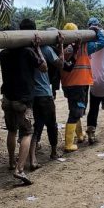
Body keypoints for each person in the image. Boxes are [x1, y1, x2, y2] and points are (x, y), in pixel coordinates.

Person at [0, 33, 47, 185]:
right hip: (23, 100)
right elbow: (44, 67)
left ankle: (12, 161)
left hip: (7, 98)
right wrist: (38, 48)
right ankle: (19, 169)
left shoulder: (2, 54)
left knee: (11, 130)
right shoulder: (27, 52)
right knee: (27, 133)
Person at [60, 22, 104, 152]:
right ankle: (69, 144)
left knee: (74, 109)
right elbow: (103, 42)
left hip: (67, 84)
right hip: (80, 83)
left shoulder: (60, 47)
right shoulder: (85, 46)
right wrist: (97, 31)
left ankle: (80, 135)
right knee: (76, 112)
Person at [23, 20, 64, 163]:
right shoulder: (44, 49)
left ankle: (33, 157)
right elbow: (60, 64)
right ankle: (53, 152)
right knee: (51, 124)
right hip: (44, 94)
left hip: (29, 95)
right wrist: (61, 45)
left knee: (37, 125)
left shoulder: (21, 48)